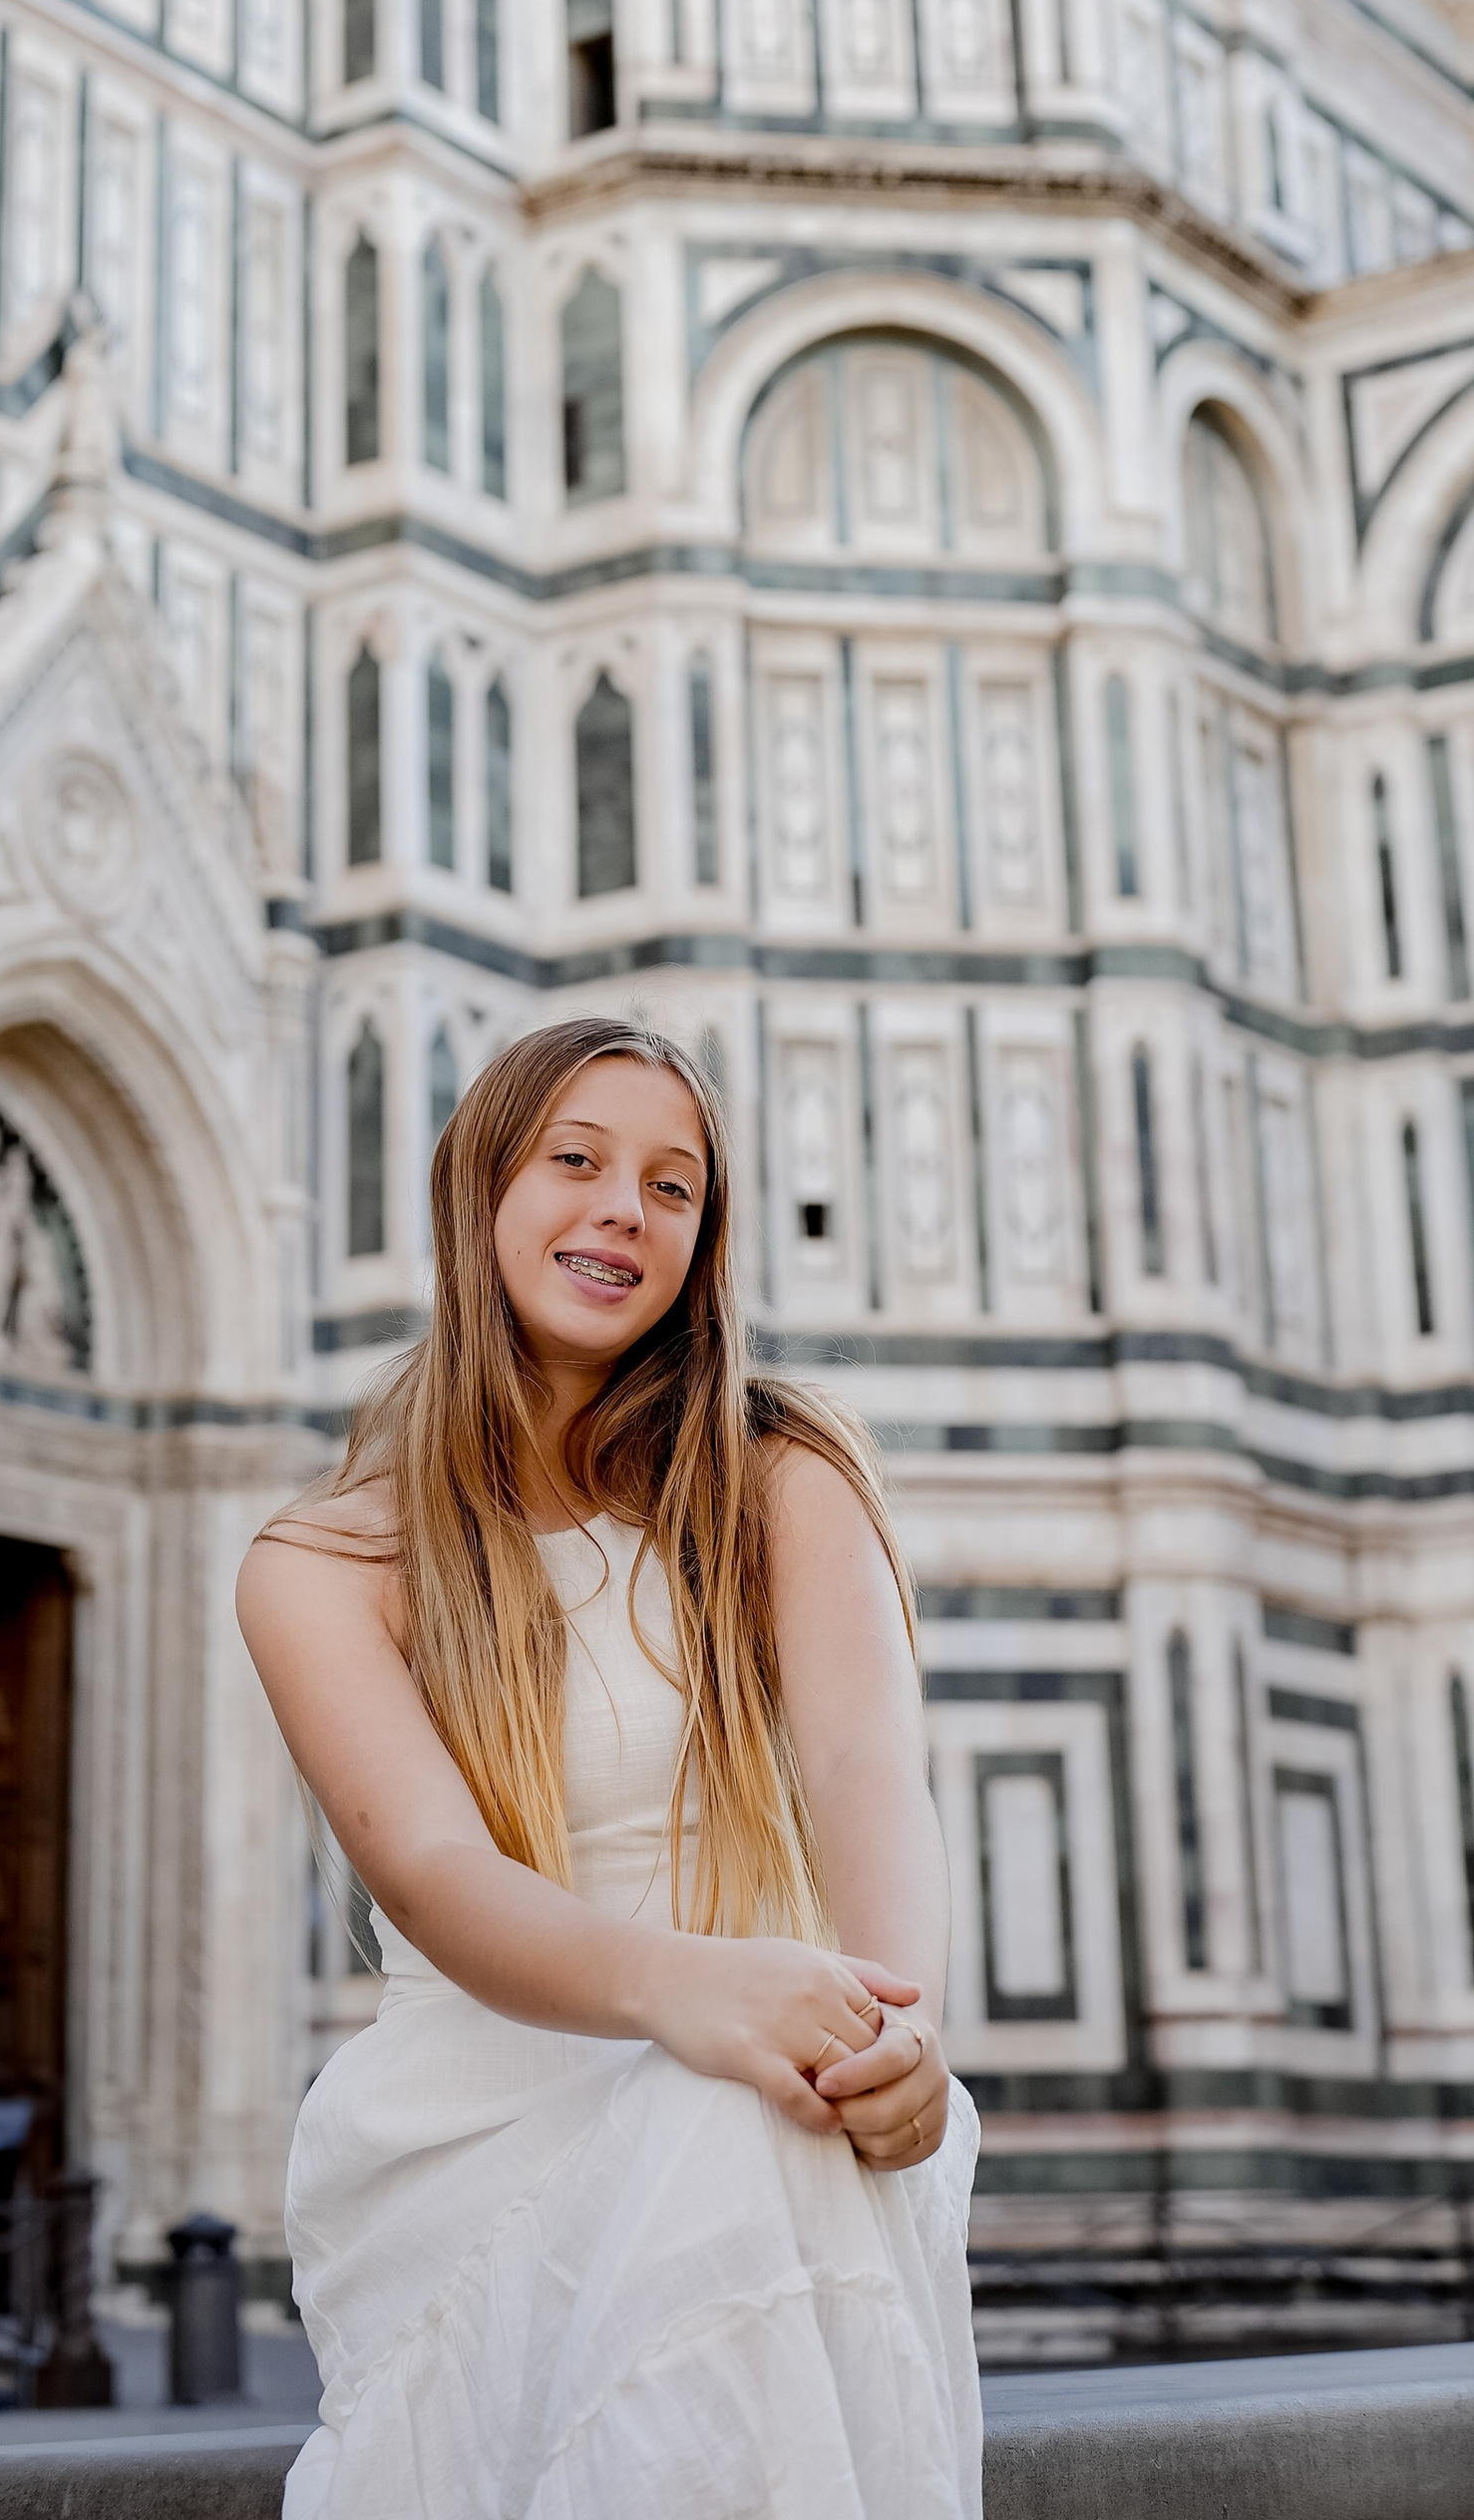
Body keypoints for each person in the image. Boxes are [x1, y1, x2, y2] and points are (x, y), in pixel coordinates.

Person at [238, 1015, 981, 2517]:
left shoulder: (783, 1480)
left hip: (795, 2077)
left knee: (745, 2117)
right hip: (477, 2121)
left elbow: (863, 1771)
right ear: (478, 1194)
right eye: (574, 1162)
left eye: (672, 1187)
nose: (622, 1213)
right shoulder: (326, 1564)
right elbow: (439, 1878)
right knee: (730, 2104)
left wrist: (898, 2038)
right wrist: (694, 1996)